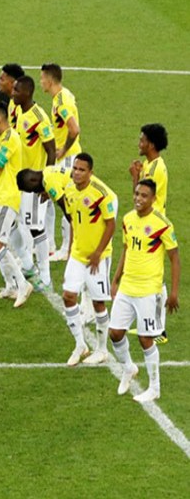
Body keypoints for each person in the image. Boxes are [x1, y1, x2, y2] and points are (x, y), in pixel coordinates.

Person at [109, 179, 179, 402]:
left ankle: (154, 388)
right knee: (115, 332)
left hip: (149, 290)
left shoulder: (162, 224)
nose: (139, 199)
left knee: (145, 338)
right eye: (137, 194)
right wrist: (115, 279)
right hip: (127, 287)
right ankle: (129, 368)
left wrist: (174, 292)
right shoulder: (128, 219)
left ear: (153, 199)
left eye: (144, 195)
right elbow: (126, 249)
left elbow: (174, 259)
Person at [59, 153, 118, 366]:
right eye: (75, 168)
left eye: (82, 169)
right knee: (68, 296)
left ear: (90, 172)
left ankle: (102, 350)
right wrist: (70, 250)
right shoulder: (69, 191)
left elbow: (111, 224)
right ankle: (80, 345)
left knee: (98, 303)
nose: (76, 172)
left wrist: (98, 253)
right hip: (77, 254)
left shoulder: (102, 194)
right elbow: (74, 221)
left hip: (98, 258)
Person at [0, 100, 32, 307]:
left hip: (7, 198)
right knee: (0, 242)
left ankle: (22, 284)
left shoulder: (11, 138)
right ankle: (10, 286)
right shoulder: (2, 137)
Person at [11, 76, 56, 290]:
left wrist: (47, 182)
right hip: (22, 181)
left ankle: (45, 277)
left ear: (27, 93)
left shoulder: (39, 117)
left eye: (16, 90)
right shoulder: (20, 112)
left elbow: (51, 150)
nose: (13, 93)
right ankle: (30, 265)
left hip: (36, 184)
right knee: (23, 223)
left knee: (36, 228)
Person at [129, 123, 170, 344]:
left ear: (151, 144)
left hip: (153, 228)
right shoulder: (149, 164)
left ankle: (159, 329)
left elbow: (142, 197)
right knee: (152, 275)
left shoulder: (156, 169)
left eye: (142, 139)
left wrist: (136, 177)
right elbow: (138, 199)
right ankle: (153, 325)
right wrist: (137, 174)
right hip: (147, 224)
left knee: (156, 277)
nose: (139, 142)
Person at [40, 63, 81, 261]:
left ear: (49, 79)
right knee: (51, 197)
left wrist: (63, 150)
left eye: (42, 79)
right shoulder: (63, 96)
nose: (40, 82)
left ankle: (66, 248)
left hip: (68, 159)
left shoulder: (61, 102)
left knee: (67, 200)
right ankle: (50, 244)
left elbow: (74, 129)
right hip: (64, 158)